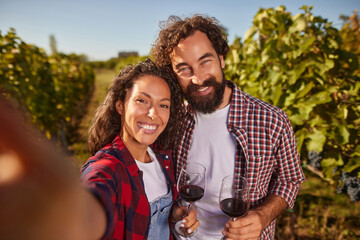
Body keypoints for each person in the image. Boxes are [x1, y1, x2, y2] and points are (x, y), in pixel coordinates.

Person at [0, 59, 199, 240]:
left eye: (163, 105)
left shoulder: (162, 156)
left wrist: (174, 214)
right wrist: (65, 221)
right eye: (142, 100)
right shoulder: (107, 167)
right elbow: (94, 204)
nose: (153, 113)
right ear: (120, 105)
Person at [151, 15, 306, 240]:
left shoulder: (272, 120)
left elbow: (289, 180)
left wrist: (263, 216)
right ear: (174, 74)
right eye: (184, 69)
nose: (198, 78)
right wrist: (177, 214)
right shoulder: (171, 121)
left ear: (221, 59)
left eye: (206, 61)